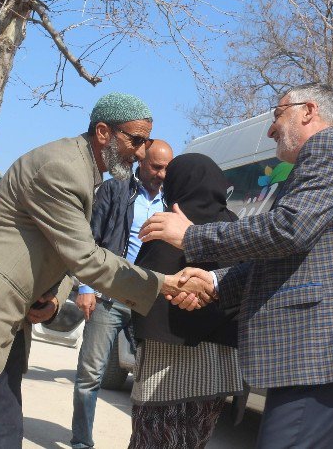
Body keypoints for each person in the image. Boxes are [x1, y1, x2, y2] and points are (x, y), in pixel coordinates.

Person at [0, 92, 213, 448]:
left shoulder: (86, 171)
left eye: (146, 142)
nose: (140, 153)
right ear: (104, 132)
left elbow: (60, 250)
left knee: (2, 436)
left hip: (8, 320)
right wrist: (164, 284)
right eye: (136, 140)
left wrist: (56, 300)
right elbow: (86, 257)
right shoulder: (61, 168)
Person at [140, 82, 333, 448]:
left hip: (322, 352)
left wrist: (192, 237)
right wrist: (215, 281)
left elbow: (288, 230)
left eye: (277, 115)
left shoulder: (330, 149)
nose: (271, 128)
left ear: (308, 111)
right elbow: (291, 254)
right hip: (327, 355)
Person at [128, 153, 243, 449]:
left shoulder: (167, 223)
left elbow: (143, 282)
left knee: (152, 438)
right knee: (193, 440)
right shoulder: (232, 226)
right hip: (217, 366)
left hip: (163, 361)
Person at [70, 140, 173, 449]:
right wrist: (87, 287)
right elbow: (92, 237)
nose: (162, 174)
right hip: (108, 297)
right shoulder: (117, 189)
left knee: (148, 384)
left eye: (167, 167)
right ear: (141, 162)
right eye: (156, 166)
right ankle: (81, 442)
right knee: (90, 375)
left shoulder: (172, 201)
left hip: (148, 303)